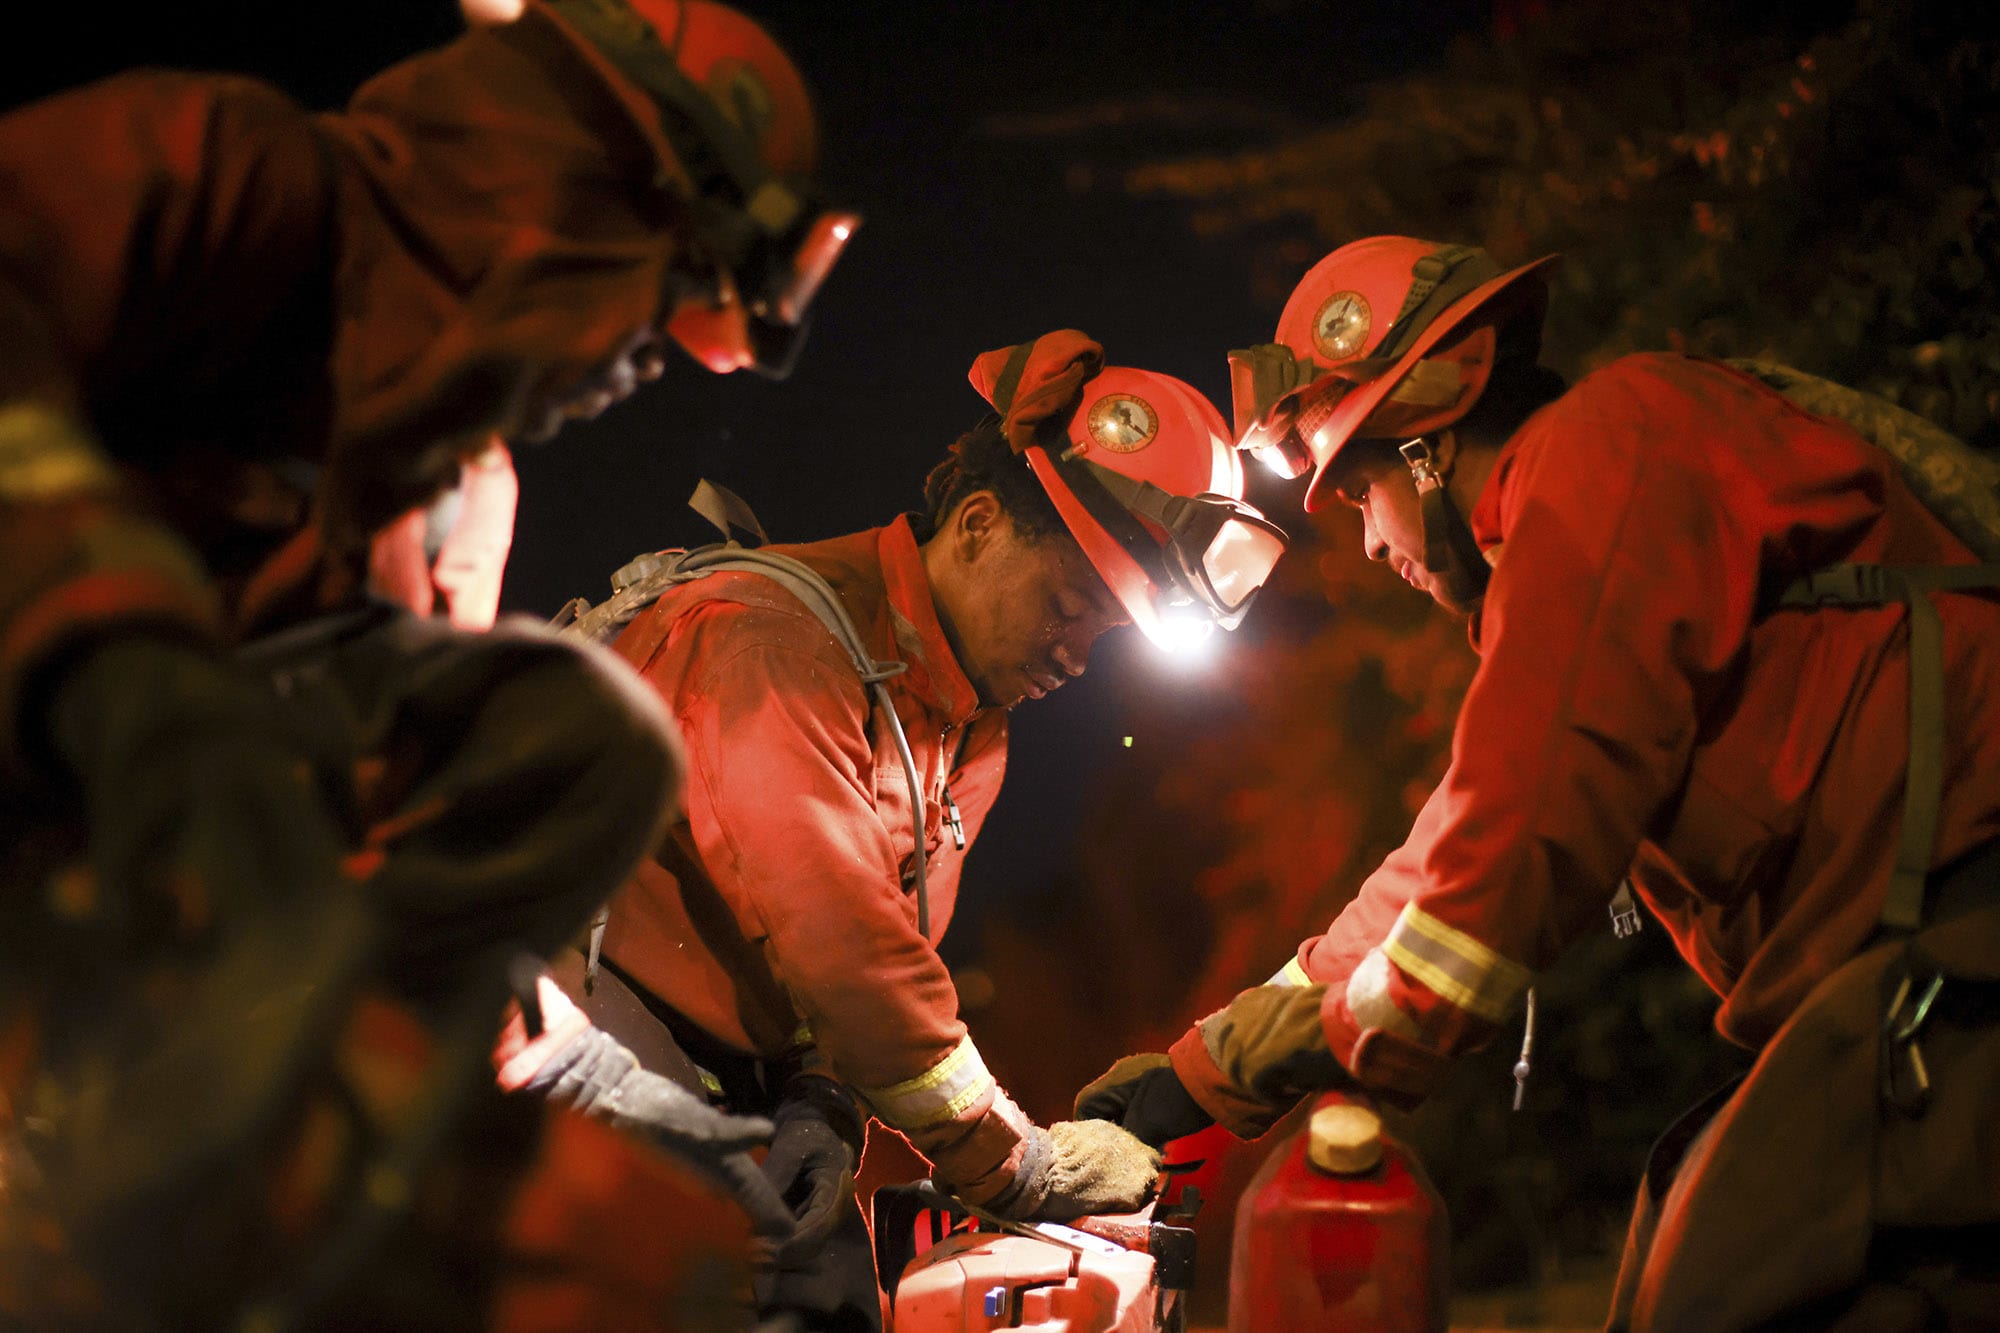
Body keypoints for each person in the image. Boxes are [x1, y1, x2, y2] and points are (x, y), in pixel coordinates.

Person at [0, 0, 853, 1323]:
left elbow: (389, 881)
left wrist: (625, 1097)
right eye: (654, 317)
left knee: (575, 739)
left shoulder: (447, 503)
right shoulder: (242, 177)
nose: (637, 375)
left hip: (108, 986)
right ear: (565, 198)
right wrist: (116, 645)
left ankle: (192, 1171)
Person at [1077, 236, 2000, 1330]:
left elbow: (1507, 850)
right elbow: (1448, 850)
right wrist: (1199, 1073)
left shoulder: (1606, 446)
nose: (1366, 542)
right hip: (1905, 991)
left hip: (1955, 966)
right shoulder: (1591, 512)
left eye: (1362, 488)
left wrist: (1325, 1035)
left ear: (1427, 447)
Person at [556, 329, 1289, 1329]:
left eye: (1107, 631)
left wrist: (821, 1094)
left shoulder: (966, 729)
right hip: (566, 1014)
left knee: (832, 1307)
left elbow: (887, 953)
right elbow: (843, 948)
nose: (1078, 654)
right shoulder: (773, 644)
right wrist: (1019, 1164)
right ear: (978, 524)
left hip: (718, 1059)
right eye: (1069, 604)